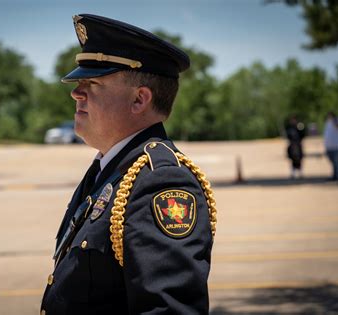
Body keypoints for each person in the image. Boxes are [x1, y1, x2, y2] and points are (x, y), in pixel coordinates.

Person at [40, 14, 217, 315]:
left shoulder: (161, 181)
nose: (76, 92)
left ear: (139, 100)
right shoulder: (111, 168)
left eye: (92, 83)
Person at [323, 112, 338, 181]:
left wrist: (334, 121)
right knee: (333, 162)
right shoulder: (328, 122)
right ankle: (335, 175)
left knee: (337, 161)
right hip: (329, 147)